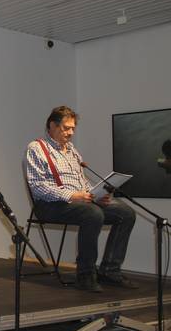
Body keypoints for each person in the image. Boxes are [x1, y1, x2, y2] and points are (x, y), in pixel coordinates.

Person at [25, 106, 138, 292]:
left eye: (73, 128)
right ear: (52, 125)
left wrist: (95, 195)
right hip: (49, 205)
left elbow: (81, 181)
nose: (70, 133)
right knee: (92, 213)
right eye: (66, 128)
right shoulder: (36, 148)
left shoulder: (71, 150)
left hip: (79, 203)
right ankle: (85, 275)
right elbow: (38, 187)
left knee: (126, 213)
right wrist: (72, 195)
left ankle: (110, 270)